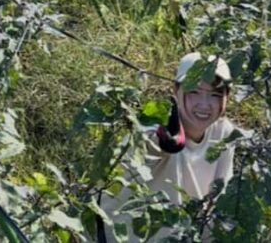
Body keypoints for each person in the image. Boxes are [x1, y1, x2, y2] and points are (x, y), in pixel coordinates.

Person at [101, 52, 243, 241]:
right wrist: (163, 135)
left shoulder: (224, 133)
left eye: (215, 95)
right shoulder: (154, 131)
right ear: (176, 91)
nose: (204, 104)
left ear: (227, 97)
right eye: (194, 91)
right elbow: (151, 141)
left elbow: (220, 199)